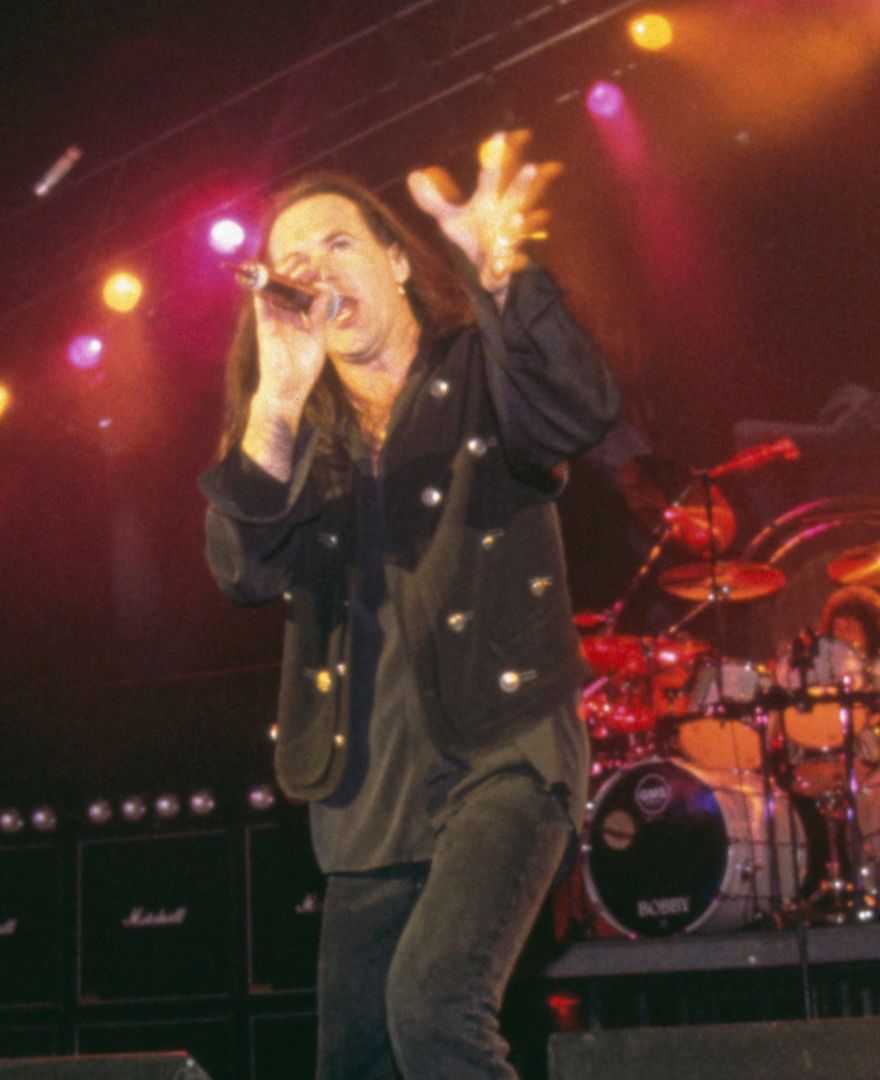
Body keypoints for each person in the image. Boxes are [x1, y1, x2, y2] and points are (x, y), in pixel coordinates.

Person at [201, 131, 619, 1078]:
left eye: (337, 244)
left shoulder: (479, 371)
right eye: (293, 262)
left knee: (433, 1007)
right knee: (356, 1062)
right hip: (366, 787)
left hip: (505, 750)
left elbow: (579, 409)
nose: (314, 270)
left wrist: (505, 270)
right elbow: (242, 571)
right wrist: (274, 399)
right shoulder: (296, 440)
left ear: (394, 259)